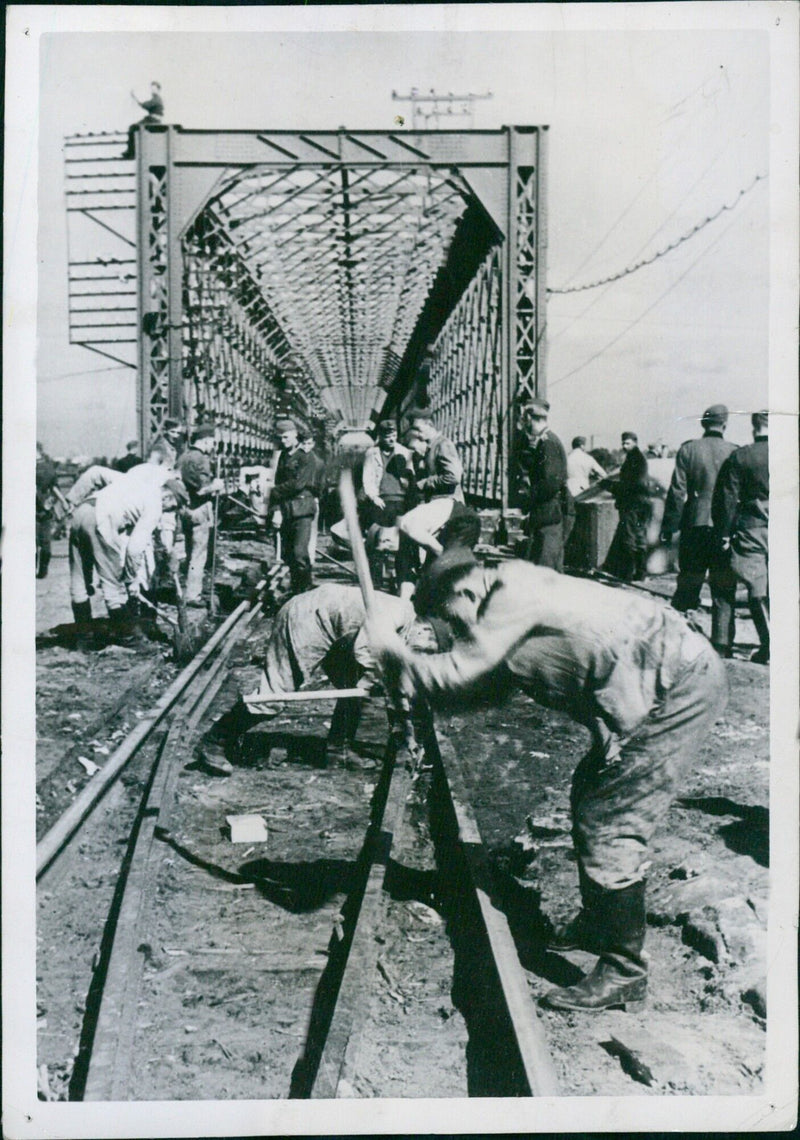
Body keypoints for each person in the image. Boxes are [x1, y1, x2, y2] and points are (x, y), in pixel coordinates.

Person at [369, 547, 727, 1012]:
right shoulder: (507, 607)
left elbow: (459, 672)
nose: (454, 630)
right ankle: (602, 924)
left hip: (677, 688)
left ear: (465, 589)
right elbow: (482, 690)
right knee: (592, 794)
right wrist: (412, 686)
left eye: (448, 617)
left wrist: (392, 653)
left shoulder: (509, 596)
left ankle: (625, 970)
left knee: (612, 821)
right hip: (651, 685)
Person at [196, 584, 435, 775]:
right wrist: (376, 680)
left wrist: (408, 733)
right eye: (423, 649)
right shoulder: (395, 615)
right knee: (274, 697)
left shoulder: (409, 628)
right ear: (425, 630)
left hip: (336, 626)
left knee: (352, 687)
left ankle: (337, 752)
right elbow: (363, 651)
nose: (417, 655)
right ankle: (215, 741)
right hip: (307, 618)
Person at [660, 405, 738, 654]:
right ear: (724, 425)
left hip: (694, 526)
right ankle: (722, 643)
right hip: (723, 529)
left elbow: (676, 493)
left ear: (703, 424)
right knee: (723, 587)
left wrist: (669, 526)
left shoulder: (688, 450)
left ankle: (677, 641)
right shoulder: (734, 452)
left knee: (689, 582)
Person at [74, 470, 187, 642]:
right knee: (113, 587)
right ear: (167, 497)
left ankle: (83, 635)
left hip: (81, 510)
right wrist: (130, 579)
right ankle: (128, 638)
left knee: (78, 578)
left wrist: (71, 499)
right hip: (100, 519)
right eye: (171, 508)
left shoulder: (137, 482)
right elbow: (135, 548)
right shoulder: (155, 505)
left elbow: (95, 472)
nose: (166, 512)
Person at [712, 411, 770, 663]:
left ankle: (770, 644)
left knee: (757, 587)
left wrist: (724, 533)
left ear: (753, 427)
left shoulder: (740, 456)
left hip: (751, 528)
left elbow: (726, 499)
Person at [395, 410, 464, 598]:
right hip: (435, 509)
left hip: (446, 510)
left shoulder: (443, 445)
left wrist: (422, 484)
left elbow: (453, 476)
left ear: (430, 425)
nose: (417, 433)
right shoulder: (431, 447)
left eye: (418, 428)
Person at [515, 398, 569, 572]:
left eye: (524, 418)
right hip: (545, 513)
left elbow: (550, 484)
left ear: (529, 418)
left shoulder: (548, 443)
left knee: (546, 571)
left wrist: (527, 500)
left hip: (548, 513)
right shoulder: (544, 442)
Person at [175, 423, 225, 606]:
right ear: (205, 440)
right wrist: (217, 485)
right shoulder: (201, 459)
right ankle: (193, 595)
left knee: (190, 552)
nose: (213, 446)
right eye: (212, 442)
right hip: (199, 510)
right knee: (198, 554)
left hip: (184, 509)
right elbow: (202, 489)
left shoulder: (183, 457)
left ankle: (188, 588)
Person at [270, 418, 318, 595]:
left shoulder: (305, 456)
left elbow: (298, 484)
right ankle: (296, 590)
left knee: (299, 554)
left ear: (295, 434)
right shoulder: (284, 455)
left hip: (302, 510)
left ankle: (305, 591)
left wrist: (274, 491)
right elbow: (278, 481)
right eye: (280, 438)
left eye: (286, 437)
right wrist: (275, 510)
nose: (283, 441)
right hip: (286, 510)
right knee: (289, 554)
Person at [605, 431, 650, 581]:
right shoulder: (637, 458)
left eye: (628, 443)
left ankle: (628, 573)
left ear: (635, 443)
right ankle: (641, 572)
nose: (624, 446)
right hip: (641, 503)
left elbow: (631, 484)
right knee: (639, 536)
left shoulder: (635, 459)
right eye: (623, 443)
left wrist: (610, 486)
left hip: (633, 503)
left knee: (630, 537)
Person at [298, 428, 327, 567]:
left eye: (309, 444)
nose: (306, 447)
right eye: (303, 443)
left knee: (311, 530)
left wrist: (316, 496)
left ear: (313, 444)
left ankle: (310, 558)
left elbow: (321, 484)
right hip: (298, 500)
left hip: (310, 499)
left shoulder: (318, 462)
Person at [36, 442, 60, 579]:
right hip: (45, 509)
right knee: (45, 543)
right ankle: (43, 569)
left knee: (31, 542)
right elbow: (55, 488)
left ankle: (33, 569)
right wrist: (52, 503)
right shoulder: (50, 467)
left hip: (33, 509)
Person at [122, 81, 164, 159]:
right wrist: (137, 100)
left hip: (153, 120)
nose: (152, 90)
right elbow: (145, 105)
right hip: (152, 119)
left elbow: (146, 105)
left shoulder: (157, 99)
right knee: (134, 127)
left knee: (132, 128)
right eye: (151, 89)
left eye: (154, 89)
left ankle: (131, 152)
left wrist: (135, 98)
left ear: (158, 90)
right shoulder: (156, 99)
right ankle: (132, 151)